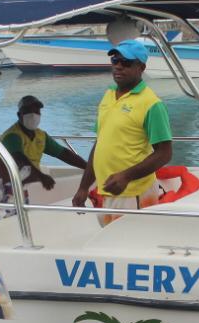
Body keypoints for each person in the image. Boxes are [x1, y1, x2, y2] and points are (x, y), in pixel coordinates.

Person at [72, 40, 173, 226]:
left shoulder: (152, 104)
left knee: (132, 247)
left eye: (126, 63)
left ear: (141, 67)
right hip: (107, 191)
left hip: (133, 193)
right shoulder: (108, 95)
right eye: (115, 60)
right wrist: (84, 186)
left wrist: (126, 176)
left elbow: (164, 153)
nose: (118, 66)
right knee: (109, 245)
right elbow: (100, 143)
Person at [0, 95, 87, 191]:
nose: (33, 115)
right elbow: (20, 159)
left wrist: (89, 168)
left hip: (31, 185)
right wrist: (41, 176)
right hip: (8, 188)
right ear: (19, 115)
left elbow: (64, 154)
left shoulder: (41, 136)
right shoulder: (12, 136)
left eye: (36, 111)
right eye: (28, 111)